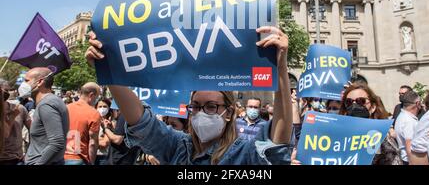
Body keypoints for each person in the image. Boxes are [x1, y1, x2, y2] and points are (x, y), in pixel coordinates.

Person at [86, 26, 293, 165]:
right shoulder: (177, 146)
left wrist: (280, 65)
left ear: (229, 112)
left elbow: (278, 144)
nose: (201, 113)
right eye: (195, 106)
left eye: (211, 106)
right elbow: (141, 122)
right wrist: (108, 71)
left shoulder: (244, 154)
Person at [339, 83, 402, 165]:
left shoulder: (382, 136)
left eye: (361, 101)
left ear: (372, 107)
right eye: (349, 102)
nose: (354, 106)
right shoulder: (339, 136)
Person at [19, 68, 69, 165]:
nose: (22, 85)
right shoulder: (51, 101)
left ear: (40, 82)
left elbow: (57, 142)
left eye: (26, 81)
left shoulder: (46, 104)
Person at [64, 82, 102, 165]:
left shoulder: (66, 108)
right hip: (78, 158)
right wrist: (91, 162)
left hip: (60, 156)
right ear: (91, 95)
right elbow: (93, 143)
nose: (97, 99)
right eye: (97, 96)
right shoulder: (94, 113)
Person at [0, 79, 31, 165]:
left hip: (17, 158)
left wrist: (30, 152)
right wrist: (13, 116)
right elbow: (5, 133)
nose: (6, 93)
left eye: (7, 90)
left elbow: (33, 130)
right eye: (3, 90)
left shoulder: (20, 108)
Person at [394, 90, 421, 165]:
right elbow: (409, 146)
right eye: (420, 102)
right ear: (417, 103)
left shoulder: (402, 116)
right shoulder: (409, 121)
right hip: (410, 160)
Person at [96, 97, 113, 165]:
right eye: (100, 106)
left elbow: (104, 143)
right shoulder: (93, 122)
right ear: (96, 108)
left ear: (109, 108)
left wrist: (90, 139)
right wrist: (100, 139)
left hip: (103, 157)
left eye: (105, 106)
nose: (102, 108)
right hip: (91, 155)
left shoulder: (110, 123)